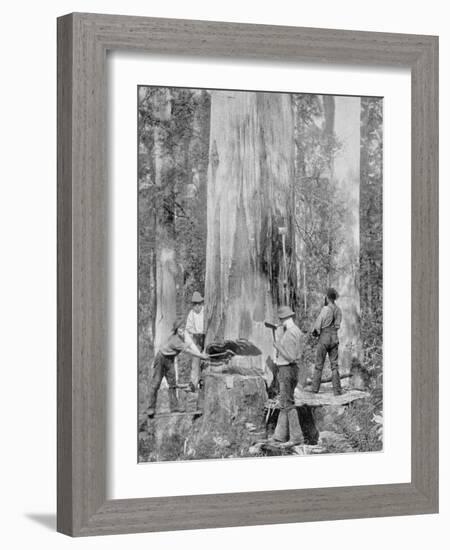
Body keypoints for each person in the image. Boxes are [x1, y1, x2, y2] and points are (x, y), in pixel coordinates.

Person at [147, 318, 208, 417]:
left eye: (183, 329)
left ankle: (174, 407)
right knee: (156, 383)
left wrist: (200, 353)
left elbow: (191, 345)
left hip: (170, 360)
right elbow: (189, 351)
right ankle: (151, 408)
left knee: (172, 384)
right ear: (176, 330)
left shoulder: (183, 337)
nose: (182, 331)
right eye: (180, 330)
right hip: (161, 358)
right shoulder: (176, 340)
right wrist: (201, 356)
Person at [271, 305, 303, 447]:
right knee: (284, 402)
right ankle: (279, 436)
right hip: (293, 369)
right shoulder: (297, 331)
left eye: (281, 319)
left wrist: (278, 347)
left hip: (287, 369)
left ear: (284, 319)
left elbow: (290, 357)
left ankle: (296, 437)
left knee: (288, 404)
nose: (280, 321)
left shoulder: (290, 333)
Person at [310, 287, 343, 395]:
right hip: (334, 338)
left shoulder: (325, 309)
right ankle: (337, 390)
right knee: (334, 365)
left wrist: (315, 332)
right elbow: (337, 326)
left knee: (319, 364)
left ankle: (315, 389)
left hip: (324, 337)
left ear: (328, 298)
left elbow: (317, 325)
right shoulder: (338, 310)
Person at [185, 291, 206, 391]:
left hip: (206, 337)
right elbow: (188, 328)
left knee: (206, 359)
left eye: (198, 303)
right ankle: (193, 383)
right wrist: (195, 332)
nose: (197, 306)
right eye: (195, 304)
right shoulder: (191, 314)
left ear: (201, 303)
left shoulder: (206, 311)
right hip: (197, 338)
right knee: (195, 360)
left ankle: (203, 379)